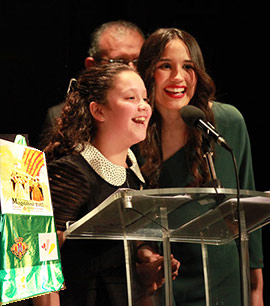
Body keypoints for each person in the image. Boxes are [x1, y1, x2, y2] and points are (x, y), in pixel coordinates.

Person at [136, 28, 264, 305]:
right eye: (165, 66)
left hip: (224, 280)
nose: (178, 77)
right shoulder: (135, 128)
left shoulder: (227, 122)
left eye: (188, 67)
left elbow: (248, 204)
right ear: (147, 73)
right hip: (162, 283)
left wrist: (256, 290)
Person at [39, 62, 179, 306]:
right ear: (98, 111)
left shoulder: (135, 175)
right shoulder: (72, 172)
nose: (144, 106)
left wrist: (146, 260)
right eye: (131, 97)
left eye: (145, 98)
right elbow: (42, 259)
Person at [43, 20, 145, 132]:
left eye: (137, 61)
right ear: (92, 65)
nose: (132, 69)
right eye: (119, 62)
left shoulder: (156, 111)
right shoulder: (63, 117)